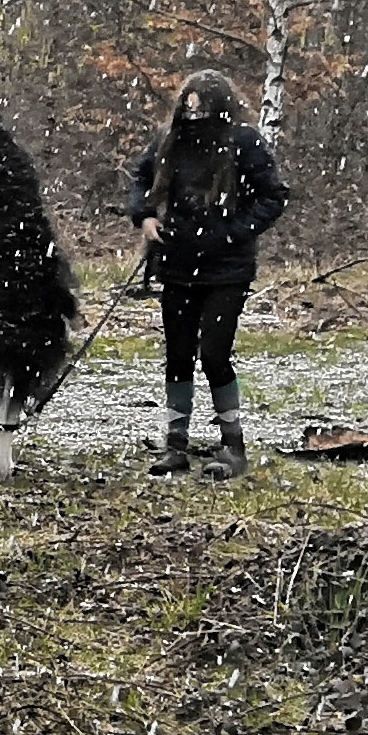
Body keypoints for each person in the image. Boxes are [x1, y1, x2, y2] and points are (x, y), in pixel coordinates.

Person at [126, 69, 293, 475]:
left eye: (201, 111)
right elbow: (141, 179)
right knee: (178, 356)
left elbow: (274, 196)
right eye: (189, 110)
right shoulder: (170, 139)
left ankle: (233, 445)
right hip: (177, 265)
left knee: (215, 354)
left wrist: (232, 233)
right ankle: (175, 445)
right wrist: (145, 217)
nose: (194, 118)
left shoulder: (243, 141)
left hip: (227, 271)